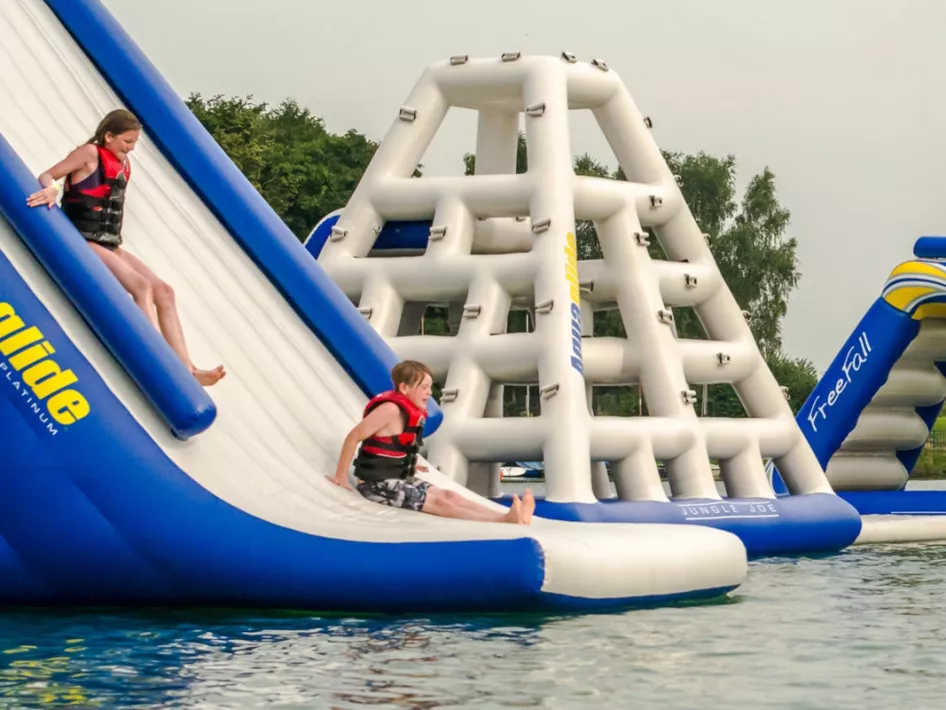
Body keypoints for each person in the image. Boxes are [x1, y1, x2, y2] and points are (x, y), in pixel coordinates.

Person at [26, 109, 225, 387]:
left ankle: (188, 369)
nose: (130, 148)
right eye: (126, 142)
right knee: (141, 286)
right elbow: (48, 174)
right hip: (84, 238)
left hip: (109, 243)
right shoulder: (89, 153)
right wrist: (51, 190)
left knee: (164, 290)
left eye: (134, 143)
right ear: (108, 136)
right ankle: (159, 359)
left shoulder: (123, 164)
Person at [330, 360, 535, 525]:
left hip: (398, 477)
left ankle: (509, 515)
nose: (430, 392)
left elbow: (397, 445)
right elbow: (354, 436)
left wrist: (409, 462)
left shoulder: (412, 413)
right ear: (404, 388)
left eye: (430, 387)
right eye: (424, 387)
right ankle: (503, 520)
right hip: (376, 485)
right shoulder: (389, 410)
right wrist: (341, 476)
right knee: (440, 503)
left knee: (450, 495)